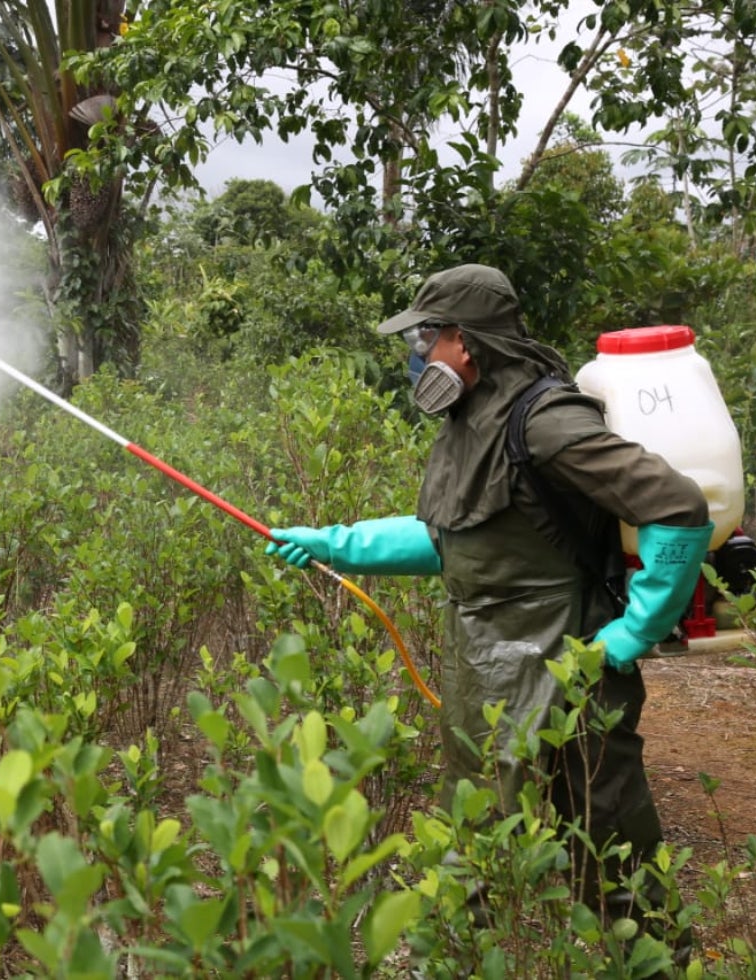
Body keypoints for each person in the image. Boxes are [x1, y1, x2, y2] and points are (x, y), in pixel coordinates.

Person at [265, 263, 713, 931]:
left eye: (425, 341)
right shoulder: (473, 418)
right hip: (487, 663)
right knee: (472, 838)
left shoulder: (544, 421)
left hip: (569, 663)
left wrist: (637, 629)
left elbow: (677, 506)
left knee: (609, 847)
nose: (418, 359)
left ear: (465, 343)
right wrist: (336, 544)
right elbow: (459, 537)